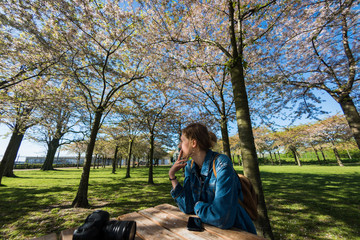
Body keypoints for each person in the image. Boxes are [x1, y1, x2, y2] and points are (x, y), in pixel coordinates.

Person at [168, 123, 256, 234]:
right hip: (209, 232)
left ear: (193, 143)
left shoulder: (221, 163)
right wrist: (172, 176)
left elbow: (222, 218)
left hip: (237, 232)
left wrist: (198, 205)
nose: (179, 146)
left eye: (182, 141)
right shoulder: (190, 166)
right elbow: (187, 206)